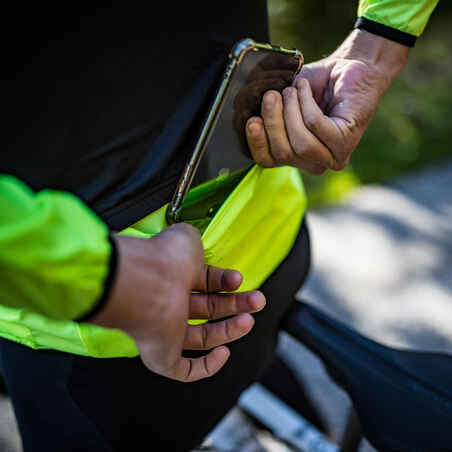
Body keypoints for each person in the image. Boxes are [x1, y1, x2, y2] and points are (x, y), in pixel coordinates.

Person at [0, 1, 438, 451]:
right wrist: (379, 44)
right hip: (270, 241)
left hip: (110, 323)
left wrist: (107, 278)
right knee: (242, 371)